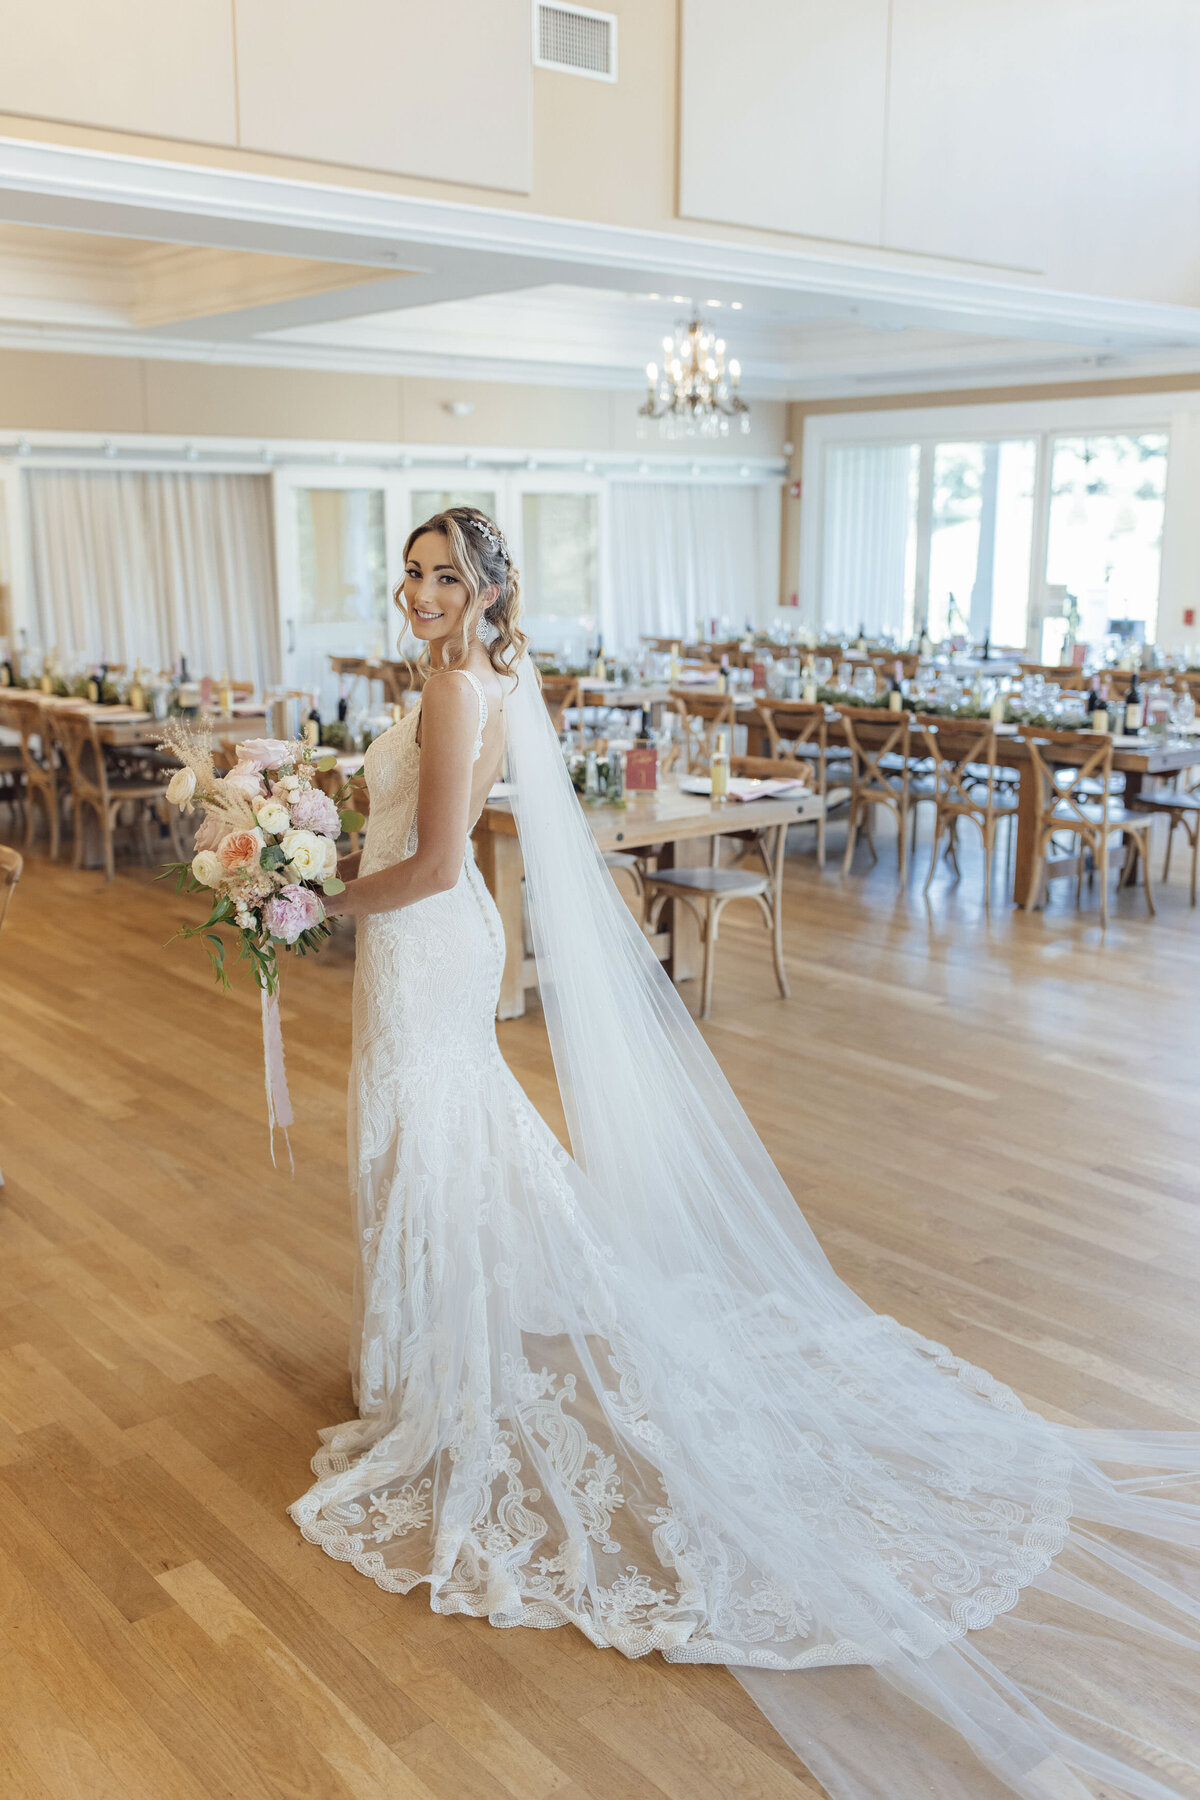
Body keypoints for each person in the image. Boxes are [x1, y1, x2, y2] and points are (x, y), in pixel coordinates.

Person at [292, 506, 1200, 1800]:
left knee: (435, 1131)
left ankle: (446, 1366)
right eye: (413, 572)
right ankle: (439, 1344)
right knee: (442, 1131)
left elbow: (437, 866)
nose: (420, 592)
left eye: (446, 576)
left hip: (427, 940)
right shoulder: (467, 679)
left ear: (491, 591)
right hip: (428, 951)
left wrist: (314, 894)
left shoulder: (455, 687)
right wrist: (321, 835)